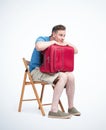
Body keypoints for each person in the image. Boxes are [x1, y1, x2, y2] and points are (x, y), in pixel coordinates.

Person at [29, 24, 81, 119]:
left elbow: (76, 51)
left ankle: (71, 107)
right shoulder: (43, 39)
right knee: (63, 76)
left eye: (64, 35)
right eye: (60, 35)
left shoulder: (60, 42)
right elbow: (38, 46)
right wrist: (53, 42)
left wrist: (66, 43)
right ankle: (54, 110)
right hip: (36, 71)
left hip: (50, 71)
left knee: (71, 76)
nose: (62, 38)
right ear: (53, 34)